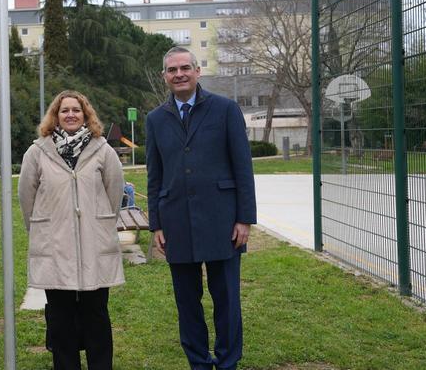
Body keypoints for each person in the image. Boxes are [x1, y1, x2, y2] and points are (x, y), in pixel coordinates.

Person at [145, 46, 257, 370]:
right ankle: (198, 361)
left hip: (222, 220)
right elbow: (154, 175)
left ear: (197, 71)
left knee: (226, 299)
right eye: (172, 70)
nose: (179, 74)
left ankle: (227, 361)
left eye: (185, 68)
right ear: (164, 76)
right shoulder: (155, 119)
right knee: (187, 302)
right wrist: (156, 224)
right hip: (176, 222)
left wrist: (244, 219)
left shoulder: (226, 109)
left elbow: (243, 167)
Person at [18, 90, 125, 370]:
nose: (70, 115)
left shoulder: (103, 150)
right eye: (64, 110)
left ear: (86, 115)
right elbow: (27, 197)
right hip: (54, 245)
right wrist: (41, 229)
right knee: (60, 319)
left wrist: (98, 223)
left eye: (76, 110)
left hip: (94, 245)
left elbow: (114, 193)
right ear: (55, 116)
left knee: (96, 316)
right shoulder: (37, 151)